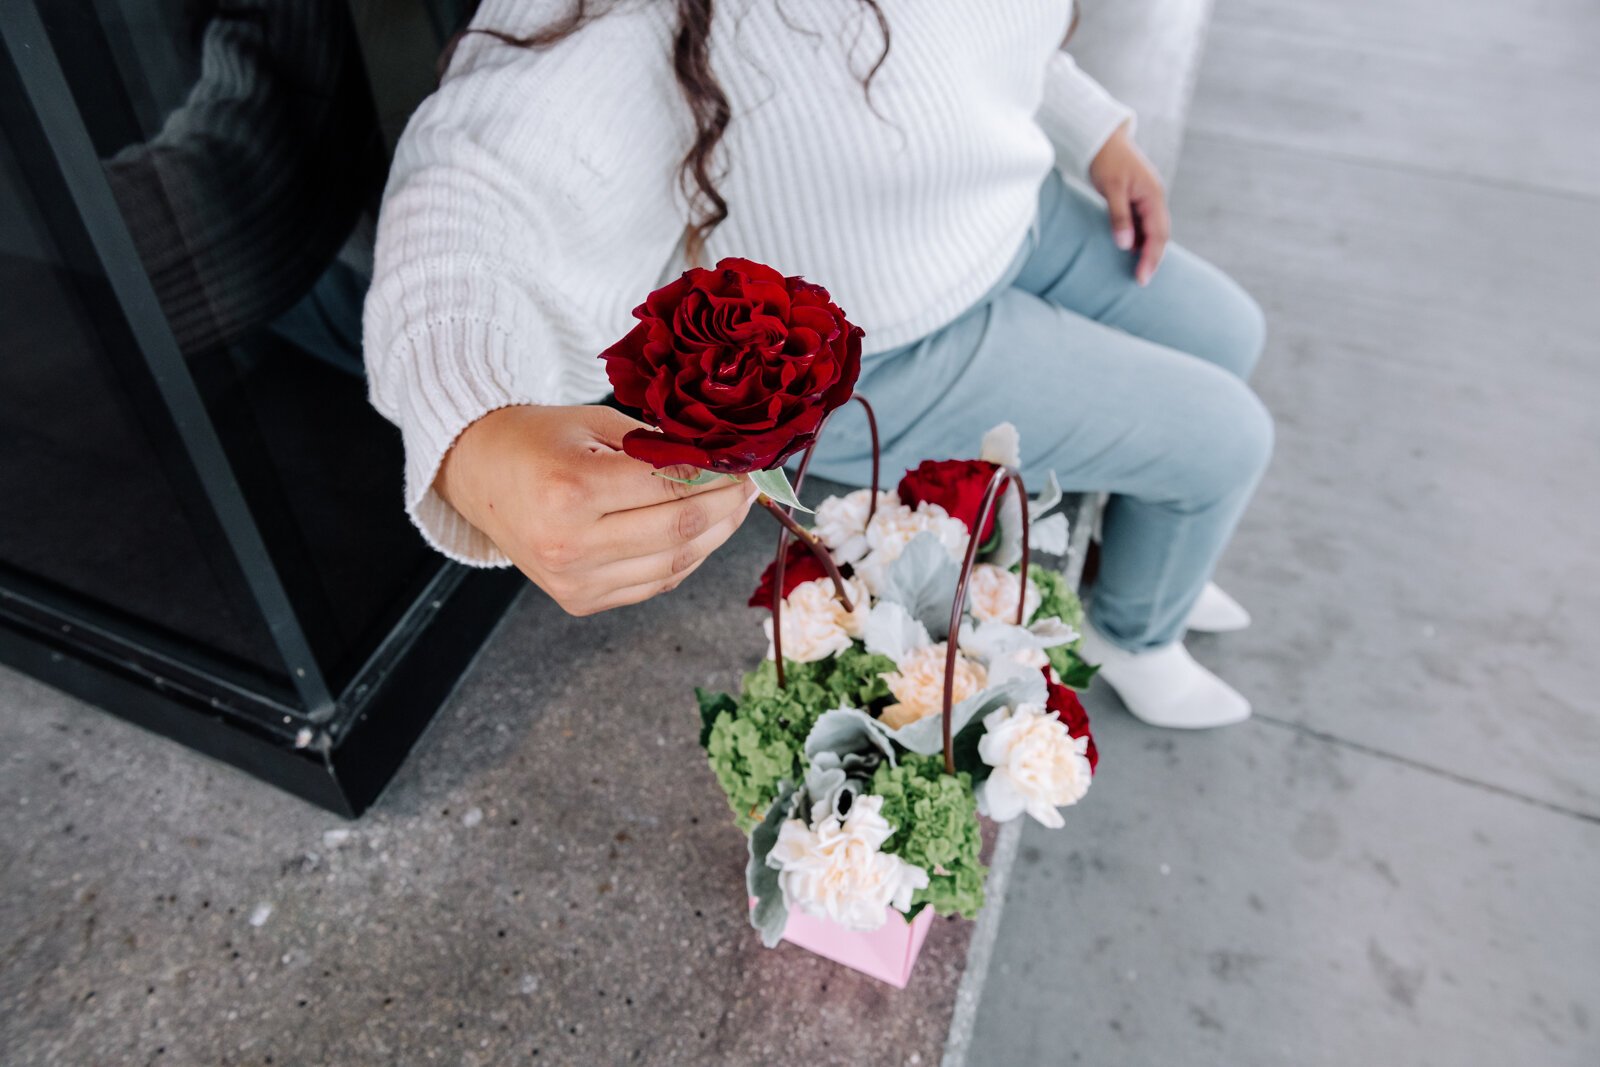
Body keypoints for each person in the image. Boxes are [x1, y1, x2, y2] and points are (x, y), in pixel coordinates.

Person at [363, 0, 1273, 729]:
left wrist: (1099, 132)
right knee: (1226, 442)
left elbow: (975, 41)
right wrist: (478, 432)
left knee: (1231, 334)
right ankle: (1135, 633)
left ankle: (1147, 564)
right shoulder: (640, 21)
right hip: (896, 338)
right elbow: (475, 188)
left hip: (1011, 204)